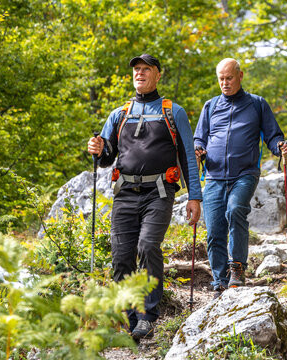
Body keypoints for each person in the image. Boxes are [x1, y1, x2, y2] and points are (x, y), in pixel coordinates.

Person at [87, 54, 202, 340]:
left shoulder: (173, 111)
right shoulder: (119, 114)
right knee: (121, 258)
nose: (140, 73)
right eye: (136, 69)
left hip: (160, 192)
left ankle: (148, 316)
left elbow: (188, 155)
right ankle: (128, 320)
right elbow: (105, 157)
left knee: (148, 245)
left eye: (146, 69)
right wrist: (97, 147)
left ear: (157, 75)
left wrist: (194, 197)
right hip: (124, 193)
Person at [193, 58, 287, 298]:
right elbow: (199, 138)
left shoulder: (257, 104)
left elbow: (272, 135)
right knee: (215, 226)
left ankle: (237, 268)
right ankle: (219, 279)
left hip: (245, 173)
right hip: (214, 175)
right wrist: (198, 149)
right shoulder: (210, 106)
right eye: (221, 79)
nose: (225, 83)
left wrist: (280, 146)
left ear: (240, 76)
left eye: (229, 78)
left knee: (236, 209)